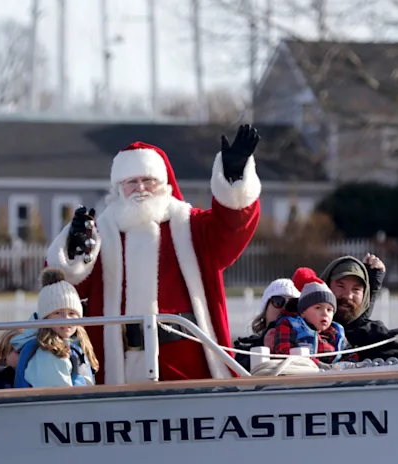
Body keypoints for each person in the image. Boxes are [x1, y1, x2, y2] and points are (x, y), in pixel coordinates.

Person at [45, 125, 263, 385]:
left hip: (190, 363)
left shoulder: (190, 226)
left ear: (163, 184)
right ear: (118, 187)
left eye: (149, 180)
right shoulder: (100, 233)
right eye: (131, 182)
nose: (140, 188)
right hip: (120, 363)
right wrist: (75, 249)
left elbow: (232, 228)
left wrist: (234, 177)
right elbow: (64, 290)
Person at [14, 268, 98, 388]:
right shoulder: (48, 354)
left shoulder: (72, 346)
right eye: (58, 313)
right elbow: (59, 399)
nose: (66, 319)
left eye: (72, 313)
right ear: (45, 318)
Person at [319, 254, 398, 362]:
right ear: (326, 287)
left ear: (364, 294)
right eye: (340, 286)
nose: (348, 296)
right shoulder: (307, 327)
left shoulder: (373, 333)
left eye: (356, 289)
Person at [266, 268, 350, 365]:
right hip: (301, 372)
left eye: (329, 310)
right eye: (318, 308)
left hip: (334, 375)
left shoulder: (336, 332)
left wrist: (350, 364)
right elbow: (284, 350)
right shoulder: (290, 325)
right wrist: (316, 364)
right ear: (303, 312)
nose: (325, 313)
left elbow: (349, 353)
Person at [232, 278, 300, 371]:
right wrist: (264, 344)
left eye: (292, 304)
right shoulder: (246, 353)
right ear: (265, 310)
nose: (285, 308)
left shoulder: (311, 344)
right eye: (278, 301)